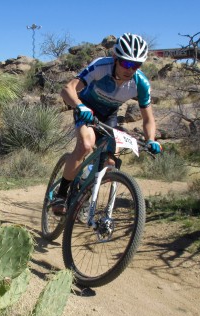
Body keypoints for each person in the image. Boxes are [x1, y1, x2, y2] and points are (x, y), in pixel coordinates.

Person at [51, 33, 162, 215]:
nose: (130, 69)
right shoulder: (101, 66)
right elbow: (67, 89)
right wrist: (79, 106)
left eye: (136, 65)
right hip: (87, 108)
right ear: (115, 58)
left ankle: (84, 194)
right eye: (126, 63)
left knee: (111, 160)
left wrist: (151, 139)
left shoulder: (140, 83)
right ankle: (61, 195)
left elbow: (148, 118)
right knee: (86, 145)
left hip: (109, 115)